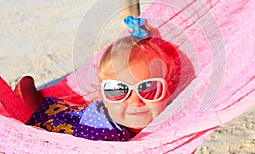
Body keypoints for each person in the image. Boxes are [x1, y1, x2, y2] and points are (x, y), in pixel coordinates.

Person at [26, 16, 181, 141]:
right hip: (68, 130)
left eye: (148, 88)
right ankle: (32, 102)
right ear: (104, 96)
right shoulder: (102, 135)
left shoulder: (174, 116)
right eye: (117, 90)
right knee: (46, 117)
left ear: (168, 90)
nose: (135, 102)